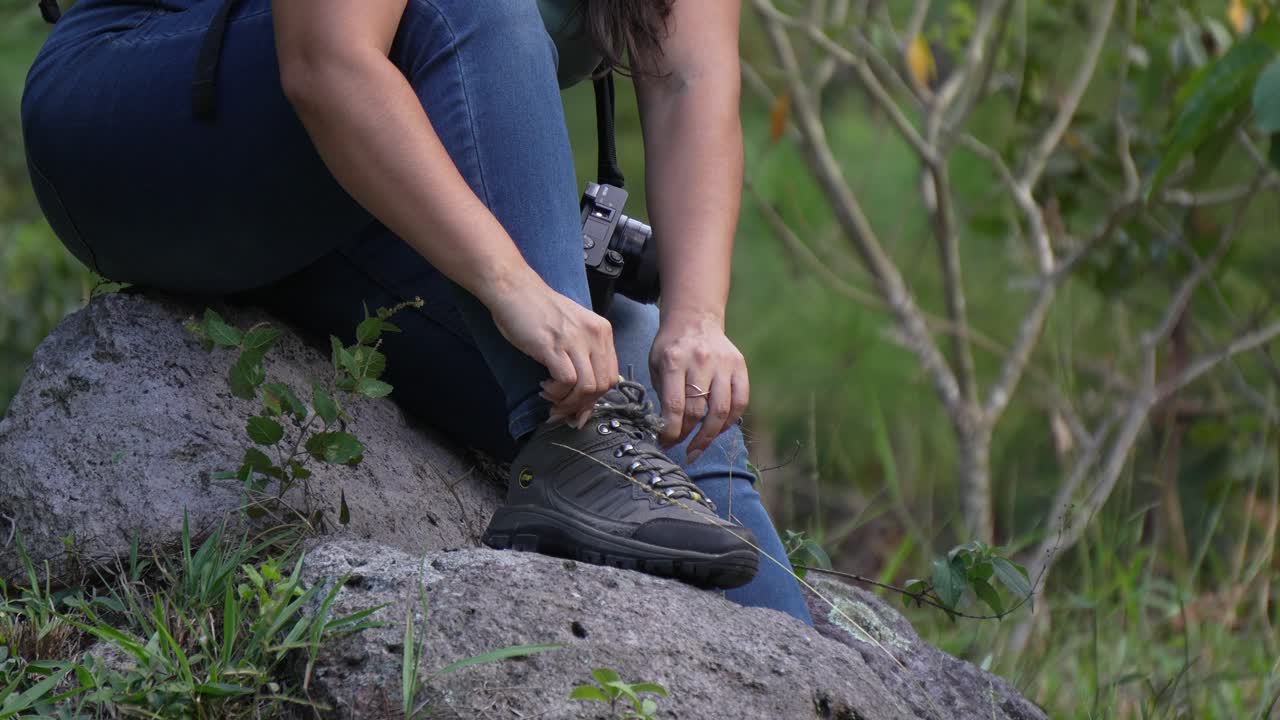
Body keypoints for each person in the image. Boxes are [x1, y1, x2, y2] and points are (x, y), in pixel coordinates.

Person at [21, 0, 813, 624]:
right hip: (147, 128)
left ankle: (787, 652)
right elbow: (327, 59)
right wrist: (512, 283)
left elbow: (690, 83)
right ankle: (581, 449)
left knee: (644, 370)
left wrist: (696, 319)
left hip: (350, 201)